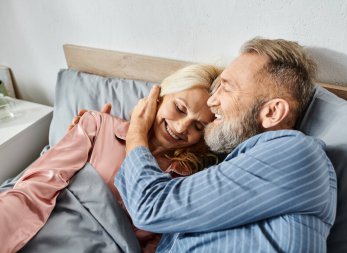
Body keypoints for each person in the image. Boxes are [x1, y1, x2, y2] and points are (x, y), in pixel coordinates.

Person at [115, 37, 337, 252]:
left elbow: (150, 206)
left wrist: (137, 131)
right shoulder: (235, 164)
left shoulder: (297, 154)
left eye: (227, 88)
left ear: (272, 112)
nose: (212, 101)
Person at [0, 64, 222, 253]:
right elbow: (39, 184)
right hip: (46, 233)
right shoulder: (99, 125)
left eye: (198, 126)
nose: (182, 127)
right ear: (159, 96)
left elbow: (158, 244)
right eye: (180, 108)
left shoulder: (185, 181)